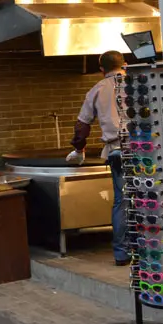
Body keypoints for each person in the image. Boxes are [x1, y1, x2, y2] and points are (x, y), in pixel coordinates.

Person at [67, 50, 128, 265]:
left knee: (122, 201)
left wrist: (79, 149)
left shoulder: (96, 90)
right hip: (146, 150)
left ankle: (122, 254)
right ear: (125, 64)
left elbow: (82, 126)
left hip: (118, 151)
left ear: (102, 70)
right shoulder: (139, 83)